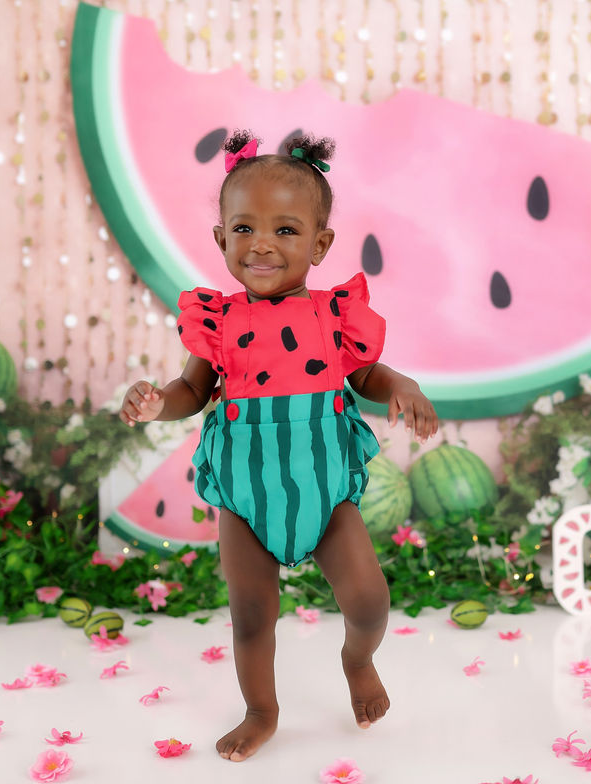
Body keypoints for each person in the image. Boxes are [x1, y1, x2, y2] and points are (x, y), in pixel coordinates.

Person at [119, 129, 438, 762]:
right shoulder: (216, 320)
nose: (262, 243)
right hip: (245, 490)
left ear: (320, 244)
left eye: (286, 231)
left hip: (323, 487)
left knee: (371, 602)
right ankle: (261, 710)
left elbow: (367, 375)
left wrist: (401, 384)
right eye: (245, 229)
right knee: (252, 615)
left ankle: (358, 662)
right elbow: (191, 389)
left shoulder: (332, 315)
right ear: (221, 238)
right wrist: (159, 401)